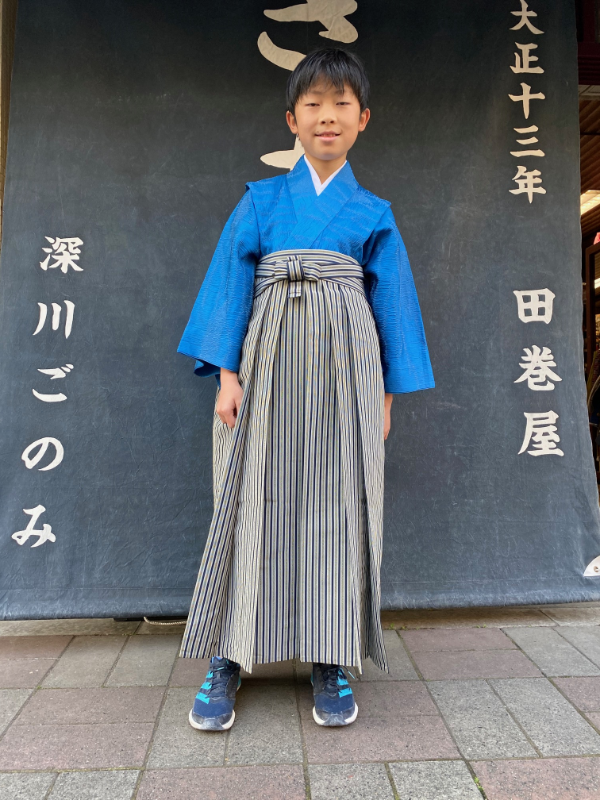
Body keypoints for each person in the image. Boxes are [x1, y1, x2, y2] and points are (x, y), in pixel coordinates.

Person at [176, 47, 435, 731]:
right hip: (265, 366)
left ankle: (330, 654)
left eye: (341, 106)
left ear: (363, 120)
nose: (327, 117)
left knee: (338, 502)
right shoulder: (261, 201)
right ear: (292, 119)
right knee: (245, 496)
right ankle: (229, 656)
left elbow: (396, 307)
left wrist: (384, 396)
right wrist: (226, 376)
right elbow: (231, 289)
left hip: (347, 372)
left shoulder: (372, 212)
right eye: (313, 105)